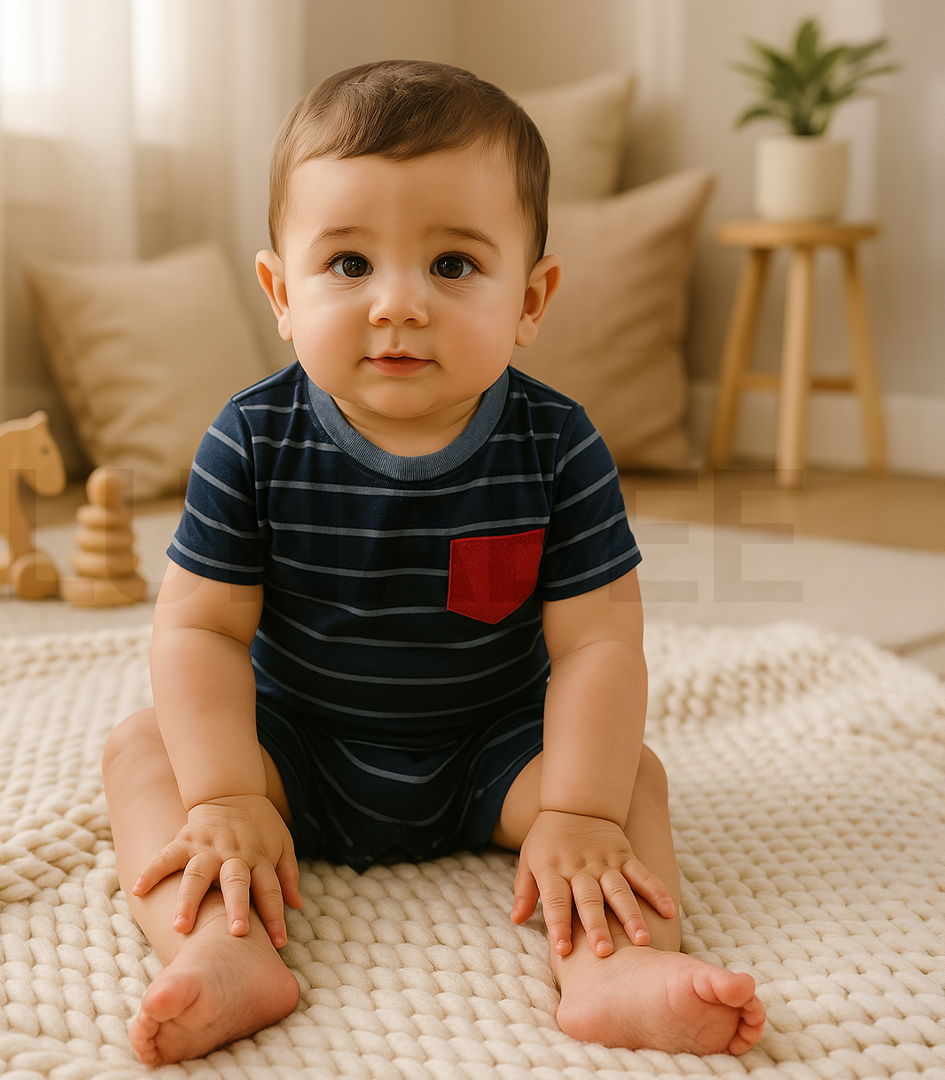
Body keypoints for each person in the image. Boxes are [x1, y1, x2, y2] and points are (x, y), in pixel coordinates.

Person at [102, 59, 766, 1067]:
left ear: (531, 298)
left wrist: (578, 811)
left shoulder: (557, 445)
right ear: (281, 292)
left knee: (628, 777)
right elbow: (199, 628)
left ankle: (612, 969)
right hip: (296, 749)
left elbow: (597, 647)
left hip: (490, 753)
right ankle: (217, 951)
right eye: (351, 265)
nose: (398, 304)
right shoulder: (250, 439)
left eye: (453, 266)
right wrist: (229, 793)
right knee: (145, 754)